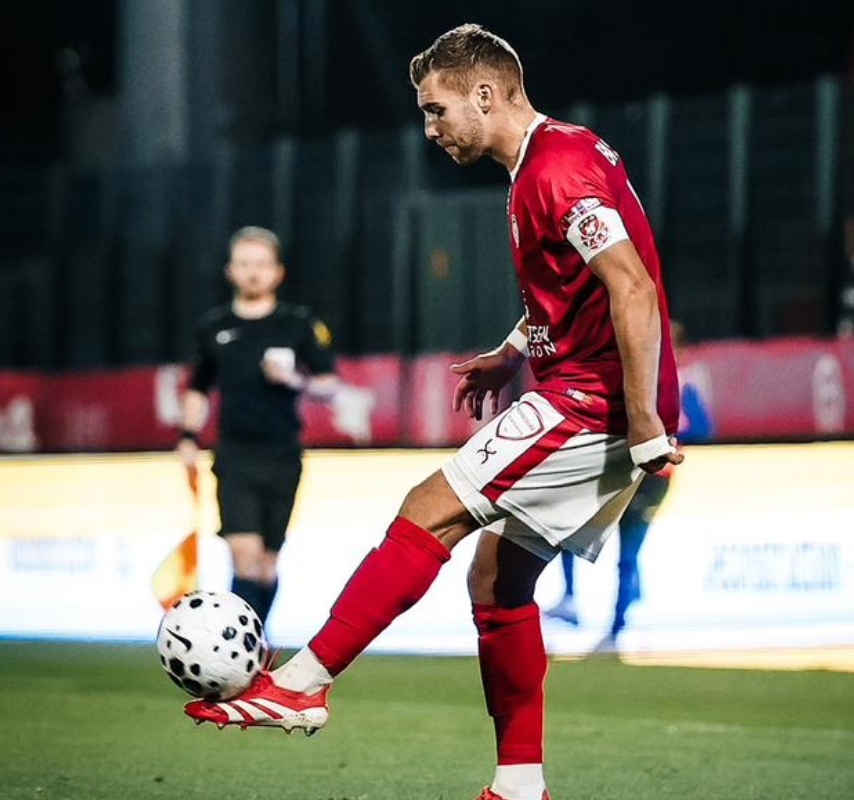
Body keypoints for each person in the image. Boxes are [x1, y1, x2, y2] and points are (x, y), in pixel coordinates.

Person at [184, 25, 682, 800]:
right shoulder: (547, 160)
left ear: (485, 94)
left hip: (594, 400)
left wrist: (644, 420)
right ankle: (518, 785)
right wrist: (514, 349)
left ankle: (303, 683)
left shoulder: (557, 169)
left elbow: (634, 287)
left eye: (436, 109)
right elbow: (574, 286)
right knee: (496, 582)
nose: (429, 128)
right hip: (586, 390)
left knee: (429, 508)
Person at [177, 225, 338, 625]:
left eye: (262, 264)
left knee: (266, 565)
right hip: (235, 456)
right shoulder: (214, 327)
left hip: (283, 455)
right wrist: (187, 437)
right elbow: (198, 388)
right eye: (245, 263)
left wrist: (294, 379)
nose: (253, 272)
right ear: (230, 270)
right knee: (243, 554)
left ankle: (255, 638)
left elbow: (328, 384)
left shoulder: (298, 323)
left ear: (278, 272)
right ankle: (238, 644)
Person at [542, 321, 713, 652]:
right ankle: (574, 599)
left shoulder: (679, 386)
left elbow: (703, 429)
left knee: (626, 553)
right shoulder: (635, 380)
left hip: (650, 478)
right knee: (570, 527)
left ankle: (616, 625)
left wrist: (667, 434)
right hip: (621, 472)